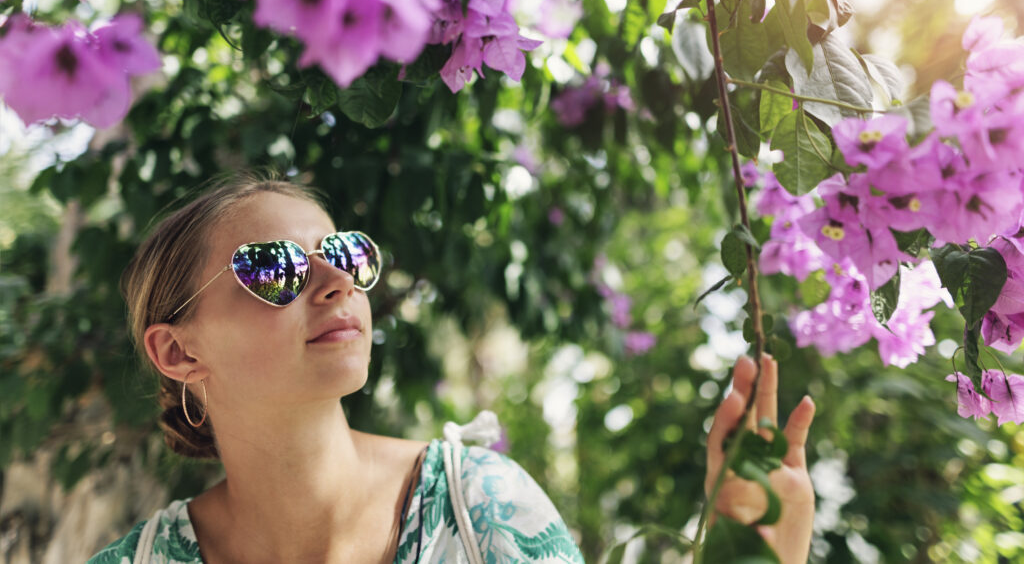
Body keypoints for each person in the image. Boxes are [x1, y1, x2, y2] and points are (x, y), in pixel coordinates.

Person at [86, 173, 815, 563]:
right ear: (179, 351)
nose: (335, 283)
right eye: (274, 268)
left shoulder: (481, 512)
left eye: (344, 255)